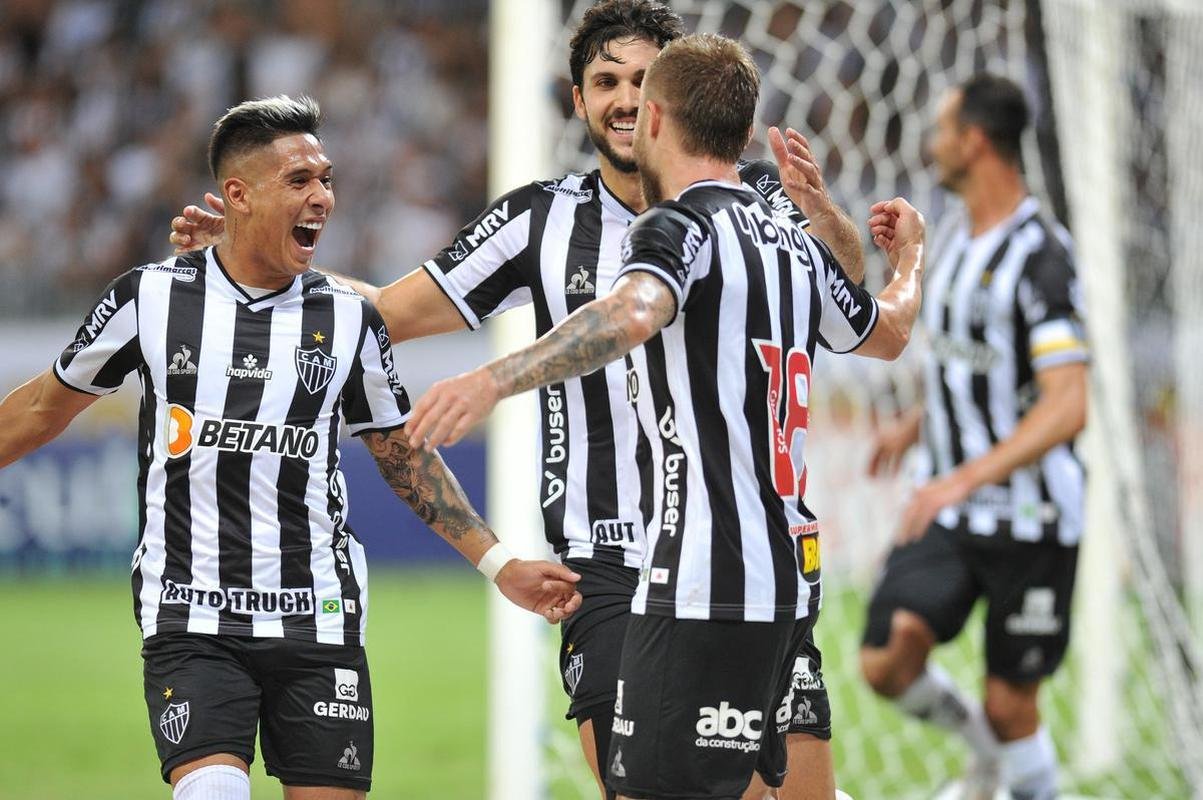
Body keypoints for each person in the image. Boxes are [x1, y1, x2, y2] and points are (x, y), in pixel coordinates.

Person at [168, 4, 864, 798]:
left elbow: (844, 303)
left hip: (748, 556)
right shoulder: (540, 219)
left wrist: (828, 220)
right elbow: (385, 314)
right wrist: (249, 253)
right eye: (604, 82)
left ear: (672, 94)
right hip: (611, 569)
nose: (624, 98)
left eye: (641, 79)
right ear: (578, 101)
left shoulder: (755, 200)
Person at [0, 95, 581, 800]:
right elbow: (38, 409)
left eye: (325, 178)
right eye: (299, 181)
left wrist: (498, 564)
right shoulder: (149, 301)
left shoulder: (347, 319)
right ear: (238, 195)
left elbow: (402, 455)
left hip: (317, 616)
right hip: (191, 612)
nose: (321, 197)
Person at [403, 33, 927, 800]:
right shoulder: (789, 241)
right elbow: (887, 330)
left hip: (702, 578)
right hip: (788, 572)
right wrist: (910, 259)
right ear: (744, 134)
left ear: (652, 119)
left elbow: (635, 308)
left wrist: (494, 378)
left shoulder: (676, 226)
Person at [859, 73, 1088, 800]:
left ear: (974, 141)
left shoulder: (1042, 258)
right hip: (953, 511)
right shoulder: (954, 243)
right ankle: (985, 756)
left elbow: (1066, 407)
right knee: (884, 659)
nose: (930, 143)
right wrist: (918, 426)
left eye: (940, 130)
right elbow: (983, 377)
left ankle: (1011, 765)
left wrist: (958, 475)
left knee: (1011, 704)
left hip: (1031, 518)